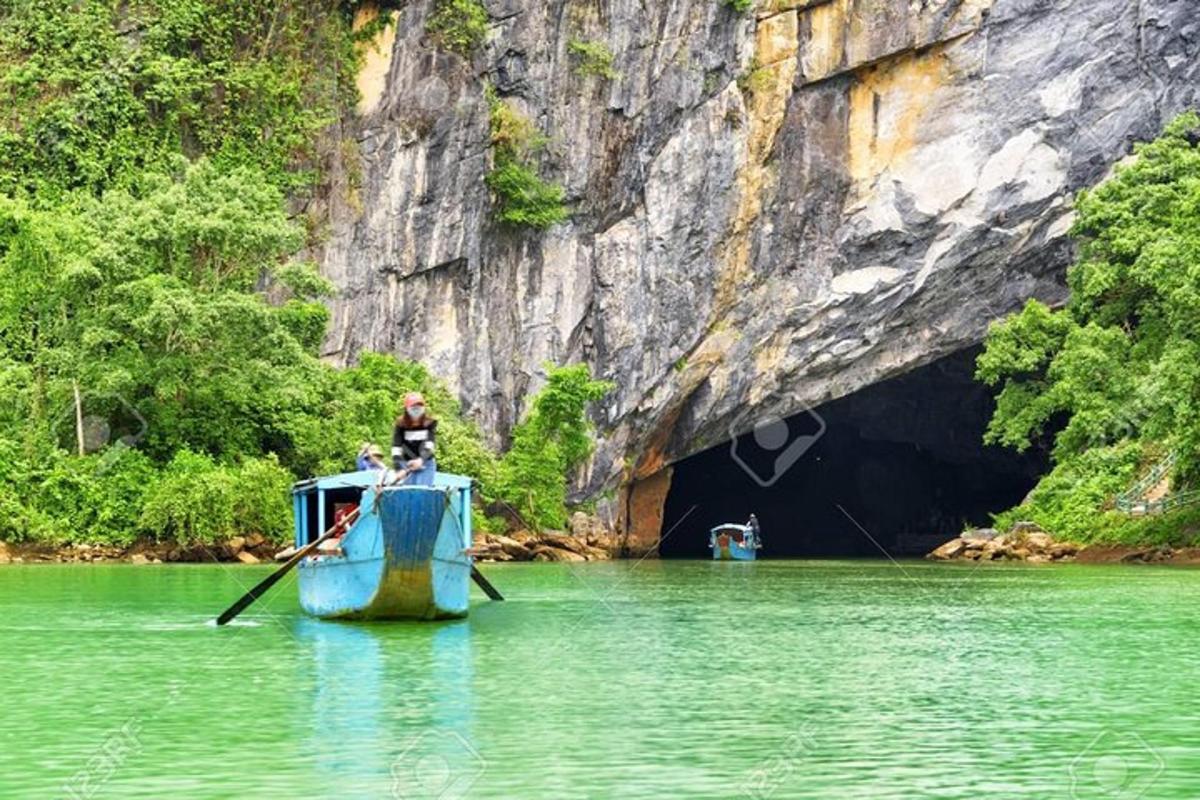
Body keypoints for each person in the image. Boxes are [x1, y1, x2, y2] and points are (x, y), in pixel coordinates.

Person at [391, 391, 438, 486]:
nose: (417, 409)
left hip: (426, 463)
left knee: (423, 493)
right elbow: (396, 448)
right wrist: (399, 469)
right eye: (413, 407)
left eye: (419, 406)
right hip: (406, 464)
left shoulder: (430, 423)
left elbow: (430, 445)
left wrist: (421, 460)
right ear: (407, 409)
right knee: (407, 494)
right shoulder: (400, 425)